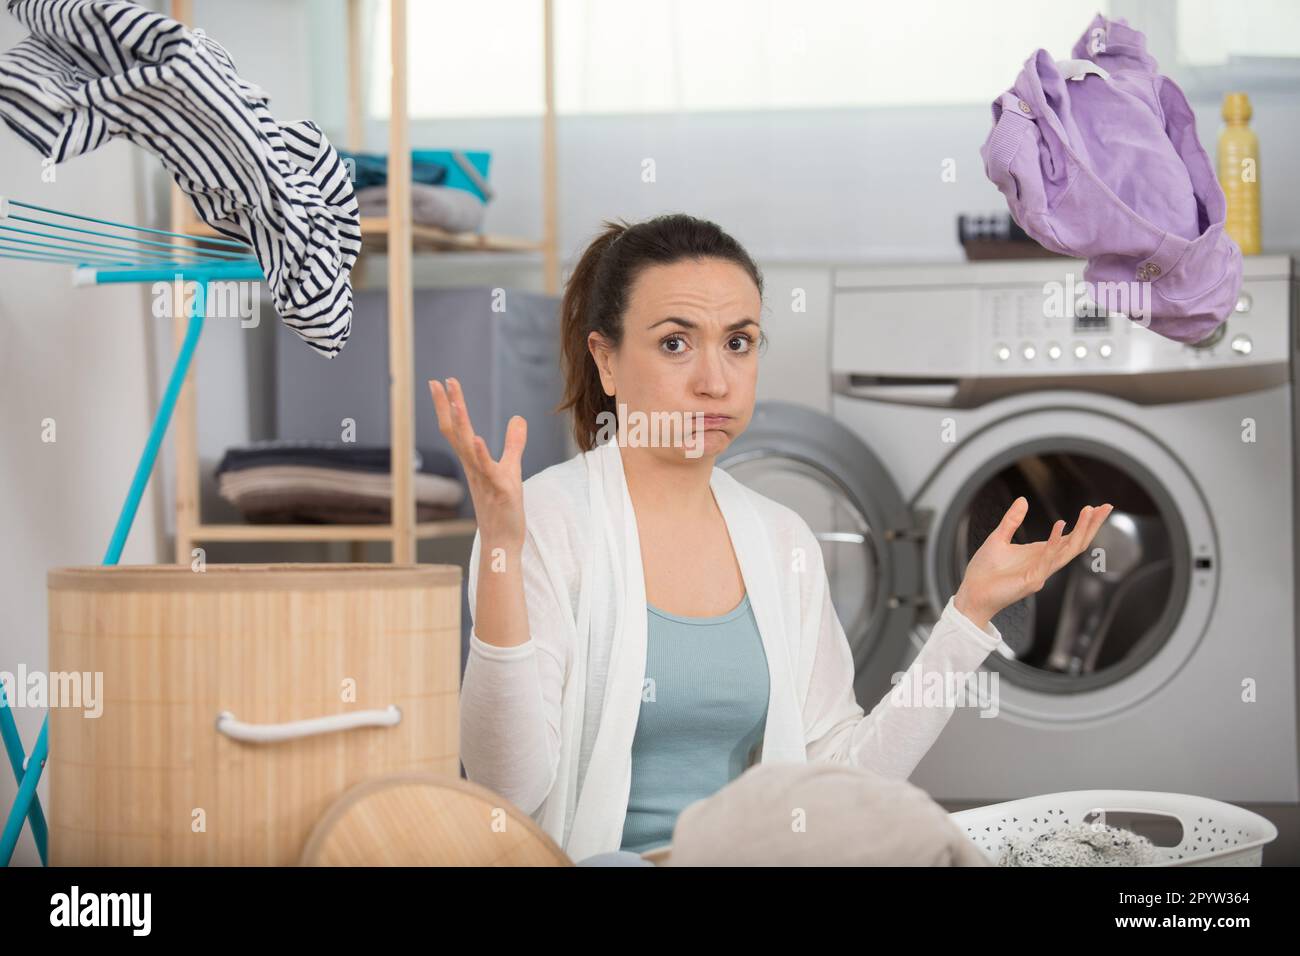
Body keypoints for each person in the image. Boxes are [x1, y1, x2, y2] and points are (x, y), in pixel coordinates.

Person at [429, 213, 1113, 863]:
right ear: (606, 362)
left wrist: (968, 618)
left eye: (739, 341)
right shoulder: (543, 520)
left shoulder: (780, 537)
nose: (715, 380)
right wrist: (499, 553)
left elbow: (842, 780)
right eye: (675, 343)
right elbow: (506, 795)